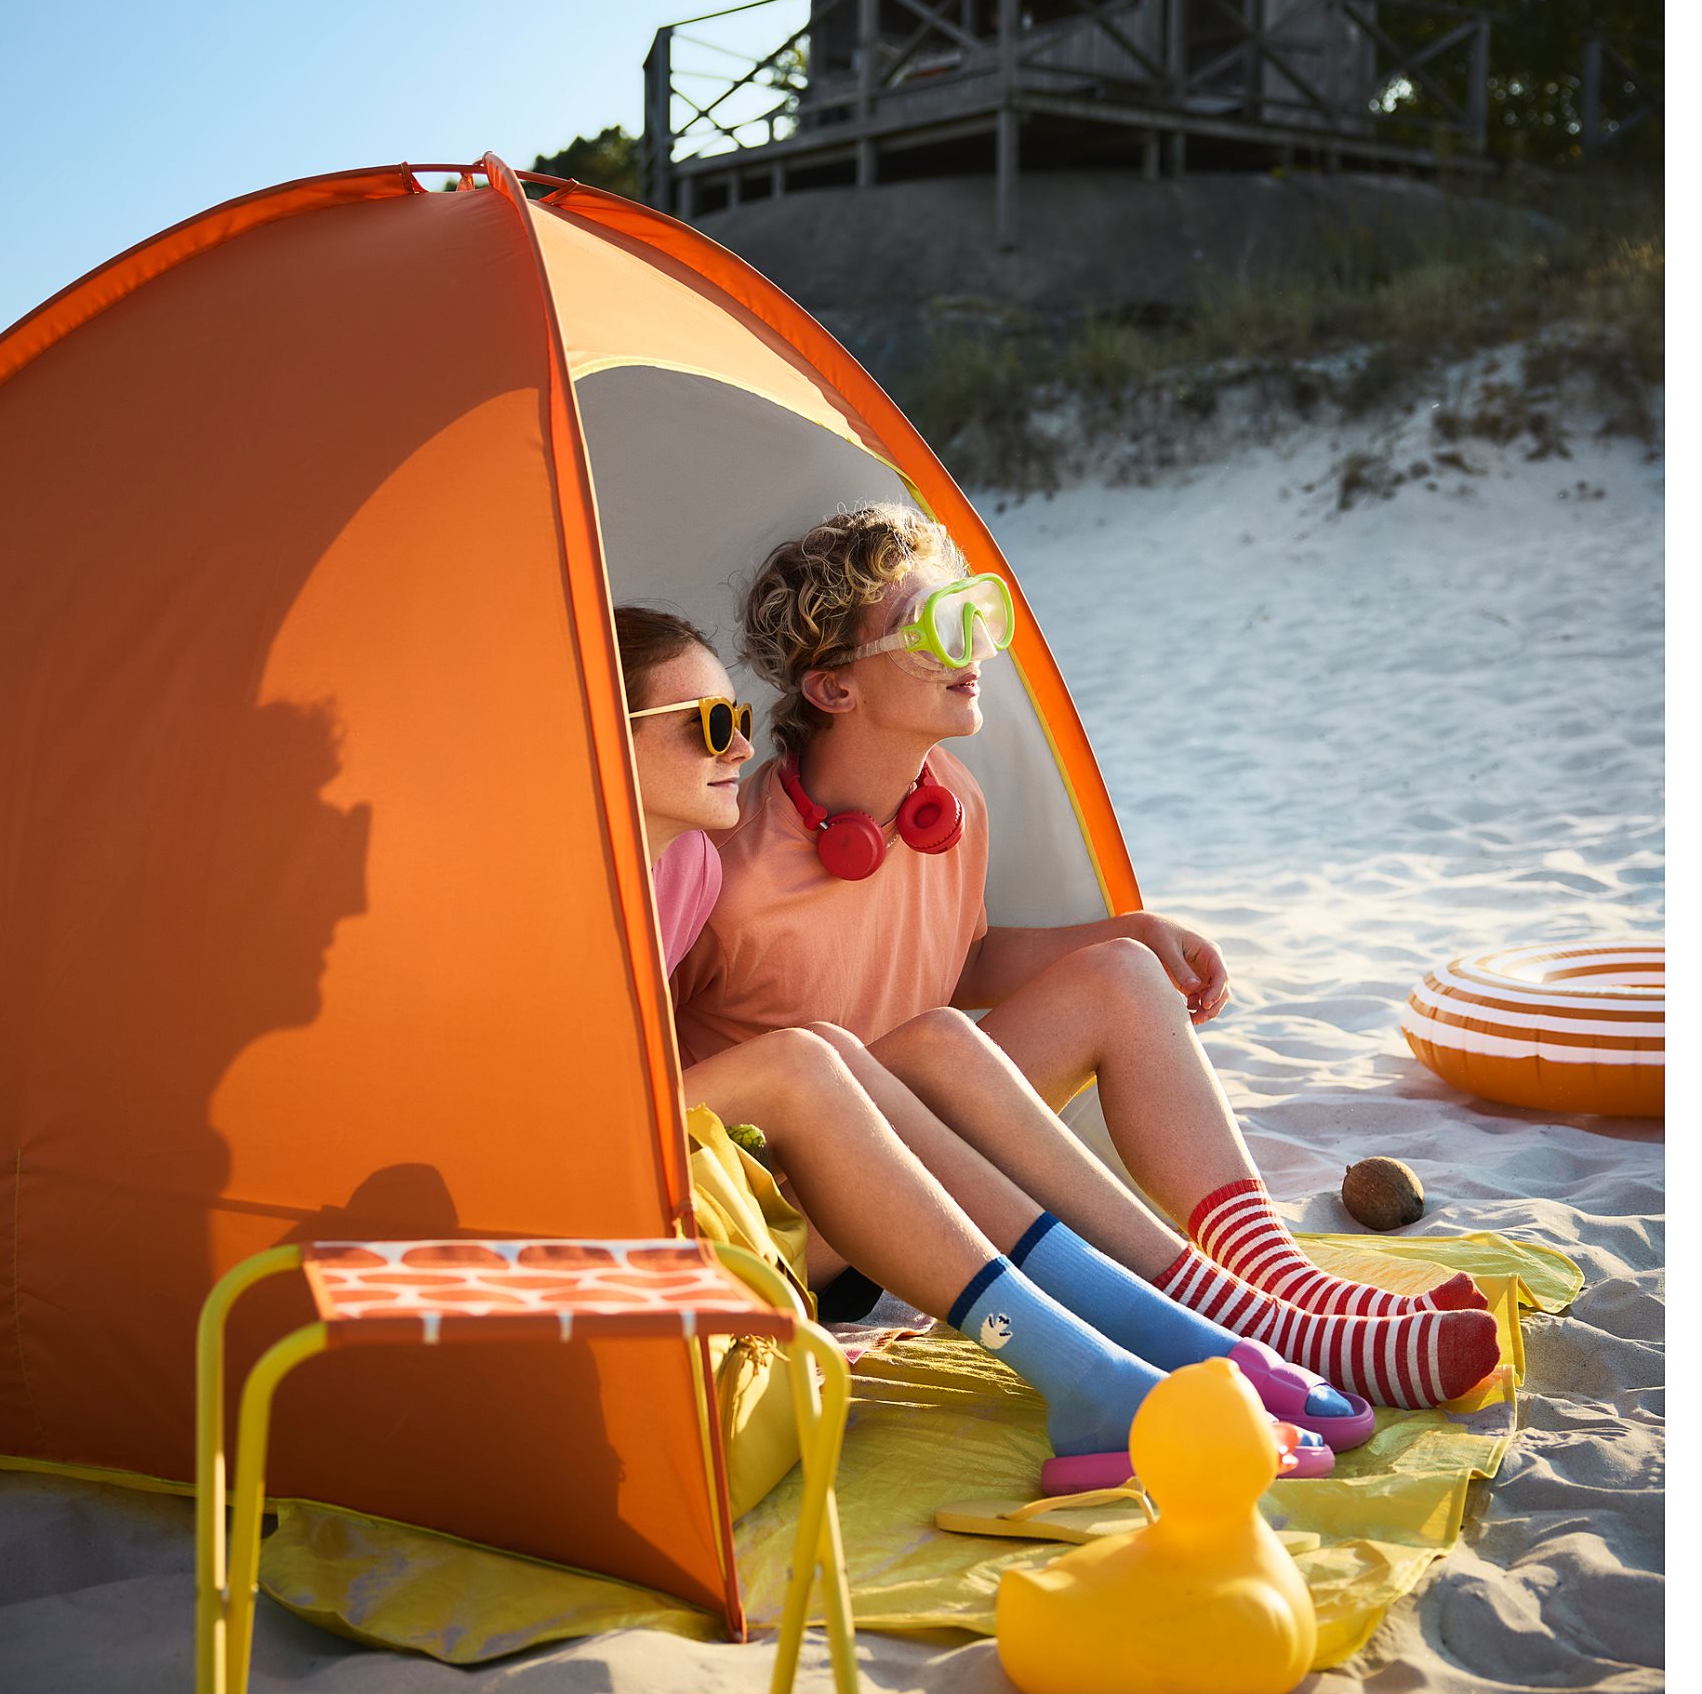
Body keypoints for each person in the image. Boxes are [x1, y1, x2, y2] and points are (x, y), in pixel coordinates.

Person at [669, 507, 1501, 1412]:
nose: (972, 648)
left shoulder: (950, 805)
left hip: (943, 1180)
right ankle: (1249, 1320)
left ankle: (1287, 1289)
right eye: (935, 628)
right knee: (937, 1043)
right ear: (834, 689)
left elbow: (962, 962)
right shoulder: (730, 866)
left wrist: (1124, 933)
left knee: (1118, 972)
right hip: (807, 1216)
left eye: (972, 615)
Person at [617, 605, 1365, 1477]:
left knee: (938, 1034)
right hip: (735, 1202)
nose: (736, 749)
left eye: (737, 721)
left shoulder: (685, 861)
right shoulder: (710, 866)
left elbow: (965, 960)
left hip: (854, 1171)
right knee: (804, 1057)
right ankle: (1106, 1365)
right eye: (708, 726)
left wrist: (1117, 931)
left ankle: (1207, 1317)